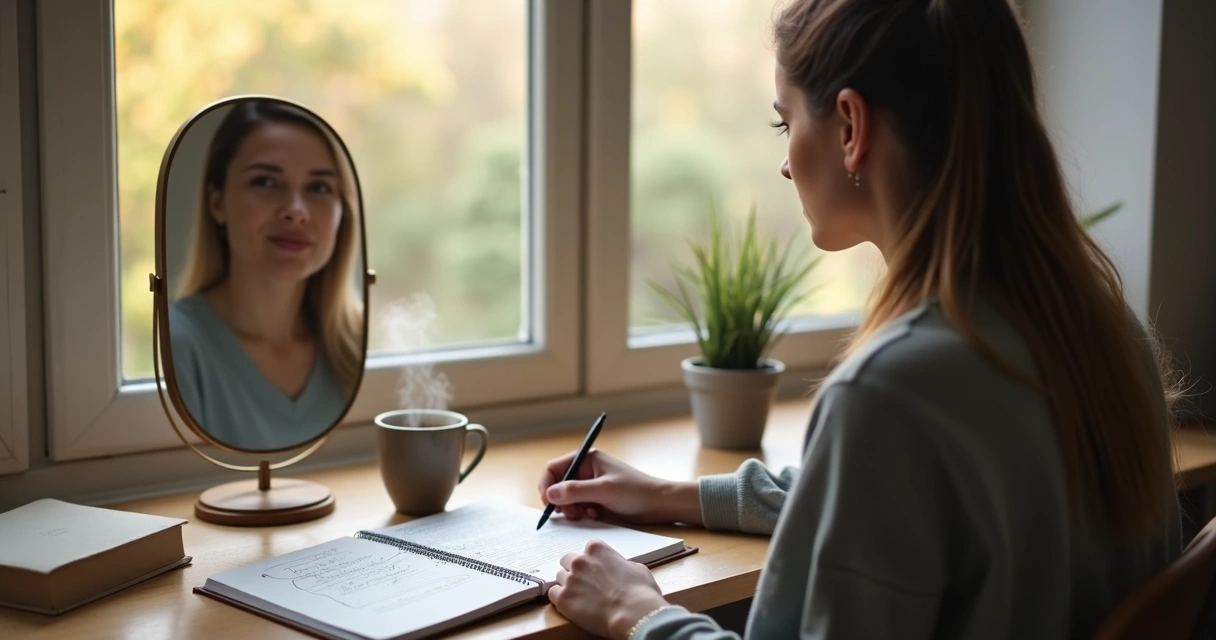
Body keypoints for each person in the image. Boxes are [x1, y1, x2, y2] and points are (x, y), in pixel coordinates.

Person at [537, 0, 1185, 638]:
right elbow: (883, 504)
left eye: (783, 122)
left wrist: (639, 613)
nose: (787, 162)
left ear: (850, 126)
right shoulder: (1105, 331)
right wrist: (665, 494)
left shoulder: (891, 390)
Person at [168, 99, 364, 451]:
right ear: (217, 203)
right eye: (265, 181)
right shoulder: (178, 346)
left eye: (318, 188)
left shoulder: (355, 344)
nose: (296, 211)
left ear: (342, 212)